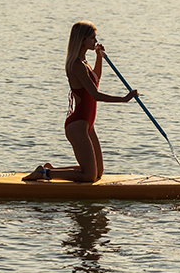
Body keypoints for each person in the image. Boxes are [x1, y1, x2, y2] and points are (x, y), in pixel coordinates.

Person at [24, 21, 138, 182]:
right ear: (82, 40)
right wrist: (123, 99)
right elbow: (95, 95)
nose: (96, 41)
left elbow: (96, 80)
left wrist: (99, 58)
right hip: (77, 125)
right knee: (89, 176)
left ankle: (48, 169)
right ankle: (44, 174)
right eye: (92, 38)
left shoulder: (84, 63)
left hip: (88, 125)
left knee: (97, 173)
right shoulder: (76, 65)